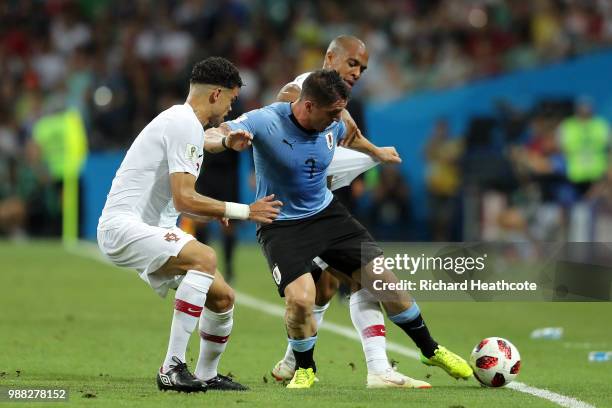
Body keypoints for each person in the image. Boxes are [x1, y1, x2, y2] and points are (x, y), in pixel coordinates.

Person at [208, 69, 472, 389]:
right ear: (307, 106)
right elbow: (212, 134)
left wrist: (376, 152)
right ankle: (305, 367)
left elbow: (351, 133)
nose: (337, 118)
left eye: (340, 111)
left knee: (387, 284)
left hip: (328, 215)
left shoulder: (336, 118)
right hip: (281, 224)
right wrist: (226, 139)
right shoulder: (266, 120)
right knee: (302, 299)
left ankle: (431, 350)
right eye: (332, 112)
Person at [97, 57, 282, 393]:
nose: (229, 108)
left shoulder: (185, 124)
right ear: (215, 94)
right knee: (205, 258)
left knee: (223, 298)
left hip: (150, 229)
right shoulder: (183, 123)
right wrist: (245, 211)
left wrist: (215, 202)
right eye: (230, 99)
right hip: (123, 227)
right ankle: (171, 368)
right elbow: (184, 199)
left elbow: (182, 188)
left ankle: (207, 373)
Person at [271, 35, 422, 388]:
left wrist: (375, 153)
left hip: (332, 199)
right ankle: (363, 366)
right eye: (352, 63)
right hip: (304, 208)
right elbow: (276, 131)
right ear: (329, 58)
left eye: (363, 68)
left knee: (335, 285)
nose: (357, 72)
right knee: (330, 287)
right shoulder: (298, 92)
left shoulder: (344, 99)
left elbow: (352, 136)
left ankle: (303, 362)